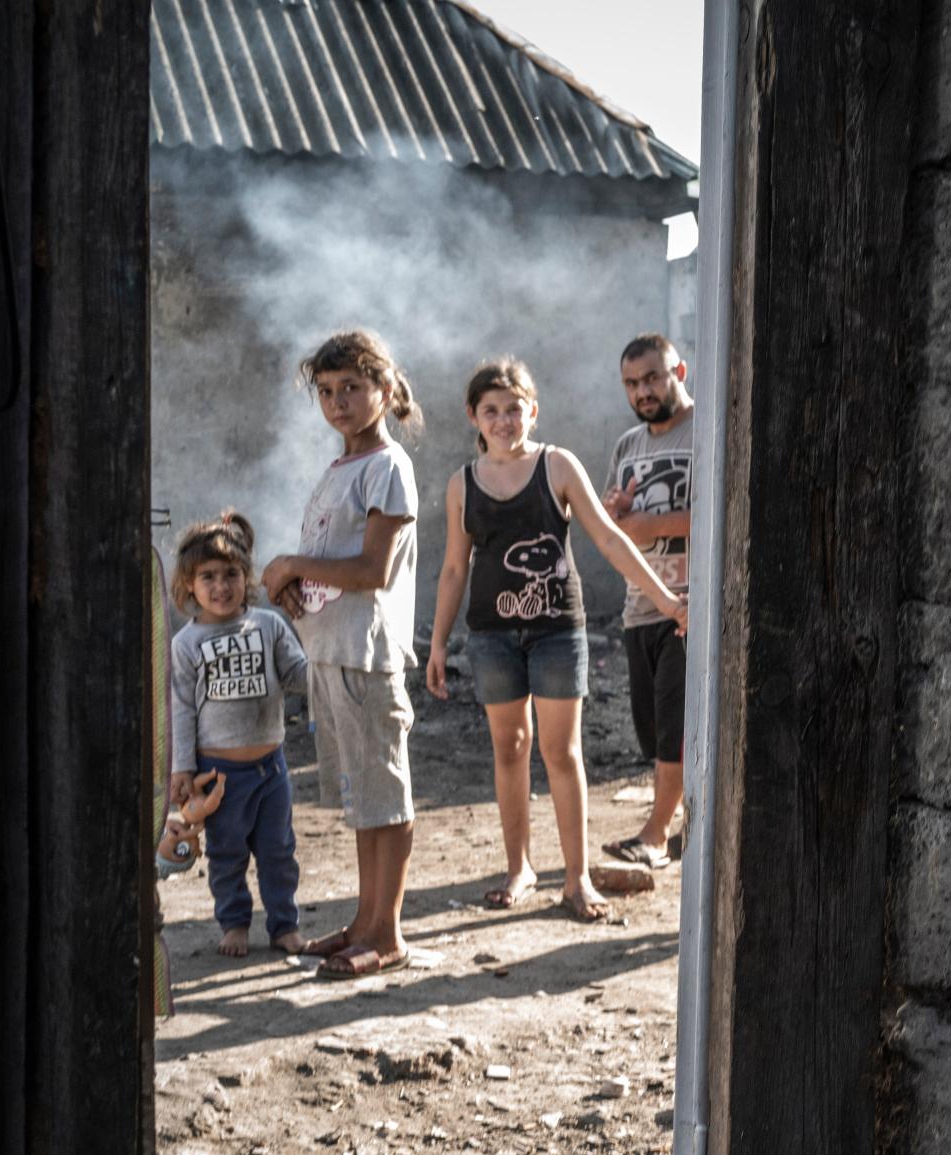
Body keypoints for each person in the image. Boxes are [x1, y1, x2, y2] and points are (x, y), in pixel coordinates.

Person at [425, 358, 688, 921]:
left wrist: (666, 602)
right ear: (474, 416)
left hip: (556, 634)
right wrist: (438, 644)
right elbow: (453, 569)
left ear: (532, 410)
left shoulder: (558, 466)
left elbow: (611, 540)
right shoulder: (461, 485)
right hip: (492, 638)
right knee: (510, 747)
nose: (503, 420)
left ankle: (576, 880)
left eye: (514, 408)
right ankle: (519, 866)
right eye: (491, 411)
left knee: (562, 752)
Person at [261, 330, 421, 980]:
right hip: (329, 648)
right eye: (326, 392)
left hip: (367, 654)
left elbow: (375, 569)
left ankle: (388, 933)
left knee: (387, 795)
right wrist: (299, 591)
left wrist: (292, 563)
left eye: (351, 388)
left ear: (384, 390)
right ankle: (363, 920)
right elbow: (334, 567)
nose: (338, 403)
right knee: (361, 798)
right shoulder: (339, 469)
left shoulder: (388, 466)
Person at [167, 514, 309, 958]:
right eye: (207, 576)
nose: (221, 586)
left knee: (278, 851)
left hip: (271, 768)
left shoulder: (268, 626)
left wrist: (319, 640)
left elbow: (299, 676)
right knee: (226, 854)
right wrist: (182, 767)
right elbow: (183, 709)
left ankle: (284, 924)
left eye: (231, 574)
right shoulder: (186, 643)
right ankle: (234, 923)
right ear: (189, 585)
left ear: (246, 576)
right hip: (220, 774)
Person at [599, 333, 697, 871]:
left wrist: (645, 524)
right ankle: (682, 826)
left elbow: (723, 509)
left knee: (676, 726)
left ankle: (656, 835)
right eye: (632, 383)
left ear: (679, 371)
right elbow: (615, 527)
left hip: (690, 605)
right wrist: (617, 513)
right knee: (652, 728)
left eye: (653, 378)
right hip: (641, 606)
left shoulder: (707, 431)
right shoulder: (627, 447)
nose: (643, 391)